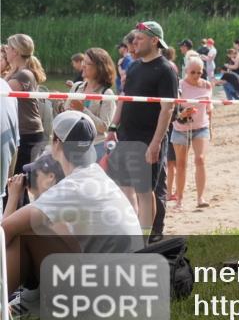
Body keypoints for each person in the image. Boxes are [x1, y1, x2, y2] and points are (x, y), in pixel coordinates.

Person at [2, 111, 143, 306]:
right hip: (127, 285)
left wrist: (14, 197)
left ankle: (7, 309)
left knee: (26, 234)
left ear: (57, 143)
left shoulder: (73, 187)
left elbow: (5, 230)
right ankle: (27, 303)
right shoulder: (95, 176)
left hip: (107, 293)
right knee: (39, 229)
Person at [105, 21, 178, 241]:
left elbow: (168, 109)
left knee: (146, 192)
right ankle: (132, 233)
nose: (134, 42)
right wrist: (112, 126)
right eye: (134, 38)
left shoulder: (166, 70)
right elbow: (124, 99)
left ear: (154, 40)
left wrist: (156, 143)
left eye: (140, 38)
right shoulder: (135, 65)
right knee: (126, 187)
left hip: (148, 139)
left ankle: (145, 240)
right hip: (126, 136)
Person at [169, 57, 212, 210]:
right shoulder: (179, 85)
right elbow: (174, 110)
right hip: (181, 128)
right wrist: (183, 114)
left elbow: (209, 109)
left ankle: (200, 197)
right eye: (192, 72)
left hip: (201, 127)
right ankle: (179, 199)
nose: (195, 75)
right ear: (186, 71)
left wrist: (210, 127)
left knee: (200, 159)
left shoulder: (207, 85)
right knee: (181, 164)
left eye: (199, 72)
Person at [3, 34, 47, 175]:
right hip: (20, 132)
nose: (6, 51)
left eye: (8, 48)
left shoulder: (24, 75)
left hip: (27, 133)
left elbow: (4, 95)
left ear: (15, 51)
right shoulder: (15, 72)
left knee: (18, 181)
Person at [62, 47, 116, 161]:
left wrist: (83, 110)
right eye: (83, 62)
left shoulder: (107, 93)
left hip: (96, 147)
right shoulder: (76, 87)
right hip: (73, 145)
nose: (83, 66)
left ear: (100, 68)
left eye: (88, 63)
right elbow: (66, 113)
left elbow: (103, 127)